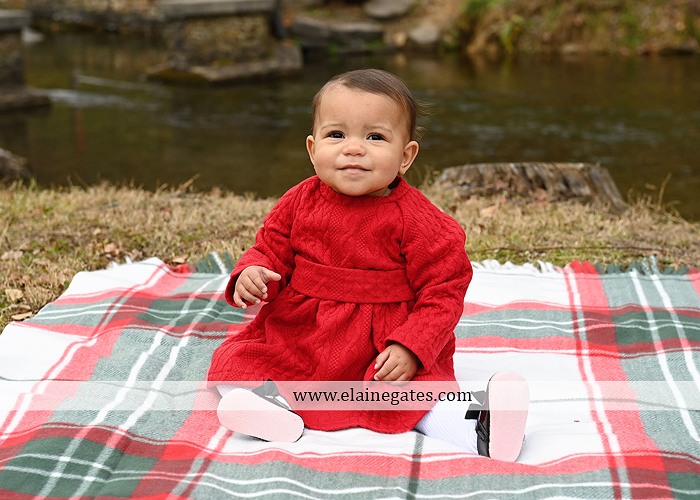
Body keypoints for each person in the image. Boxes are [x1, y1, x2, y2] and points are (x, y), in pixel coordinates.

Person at [207, 69, 529, 461]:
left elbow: (444, 291)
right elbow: (270, 249)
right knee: (235, 363)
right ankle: (272, 410)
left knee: (416, 396)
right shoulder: (298, 201)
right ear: (312, 149)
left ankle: (480, 428)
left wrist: (412, 346)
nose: (354, 148)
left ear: (405, 156)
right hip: (303, 336)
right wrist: (255, 273)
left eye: (375, 137)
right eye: (336, 134)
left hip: (382, 347)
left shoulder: (420, 222)